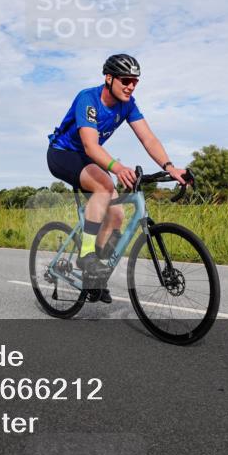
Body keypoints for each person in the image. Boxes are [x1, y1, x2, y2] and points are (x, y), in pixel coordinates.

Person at [47, 54, 188, 304]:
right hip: (63, 154)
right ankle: (86, 255)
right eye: (126, 80)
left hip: (88, 157)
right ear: (109, 78)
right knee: (104, 185)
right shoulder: (87, 99)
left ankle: (93, 277)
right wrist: (118, 167)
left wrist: (170, 166)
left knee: (117, 215)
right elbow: (90, 147)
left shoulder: (128, 104)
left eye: (135, 81)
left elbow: (149, 139)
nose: (131, 86)